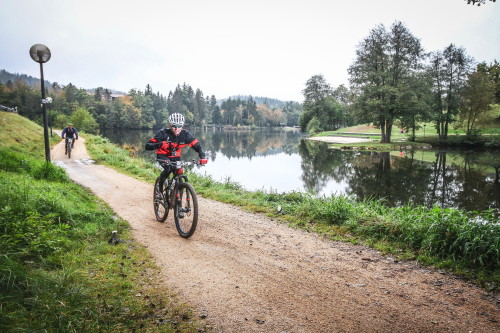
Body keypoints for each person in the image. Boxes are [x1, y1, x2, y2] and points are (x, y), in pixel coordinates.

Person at [145, 113, 207, 191]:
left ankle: (176, 197)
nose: (176, 129)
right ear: (170, 125)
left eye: (179, 126)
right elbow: (147, 146)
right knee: (168, 169)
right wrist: (160, 144)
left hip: (175, 157)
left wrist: (202, 157)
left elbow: (198, 146)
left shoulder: (186, 135)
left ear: (182, 125)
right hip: (163, 156)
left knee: (179, 171)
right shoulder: (163, 133)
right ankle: (160, 188)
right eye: (174, 126)